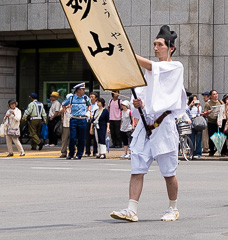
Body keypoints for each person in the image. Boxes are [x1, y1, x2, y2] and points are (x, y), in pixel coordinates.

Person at [109, 25, 188, 223]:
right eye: (154, 44)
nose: (155, 48)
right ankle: (131, 209)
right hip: (146, 124)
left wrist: (128, 54)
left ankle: (173, 207)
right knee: (137, 167)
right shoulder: (149, 73)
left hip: (164, 124)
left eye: (160, 44)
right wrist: (138, 105)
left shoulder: (175, 67)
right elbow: (142, 100)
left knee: (169, 172)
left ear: (171, 48)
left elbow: (154, 67)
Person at [62, 83, 90, 160]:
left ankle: (79, 154)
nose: (84, 91)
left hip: (82, 119)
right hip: (74, 119)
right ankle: (71, 153)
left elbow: (89, 104)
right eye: (82, 89)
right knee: (72, 137)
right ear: (78, 90)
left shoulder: (85, 97)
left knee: (81, 138)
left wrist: (88, 111)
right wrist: (66, 113)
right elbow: (63, 104)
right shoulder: (71, 98)